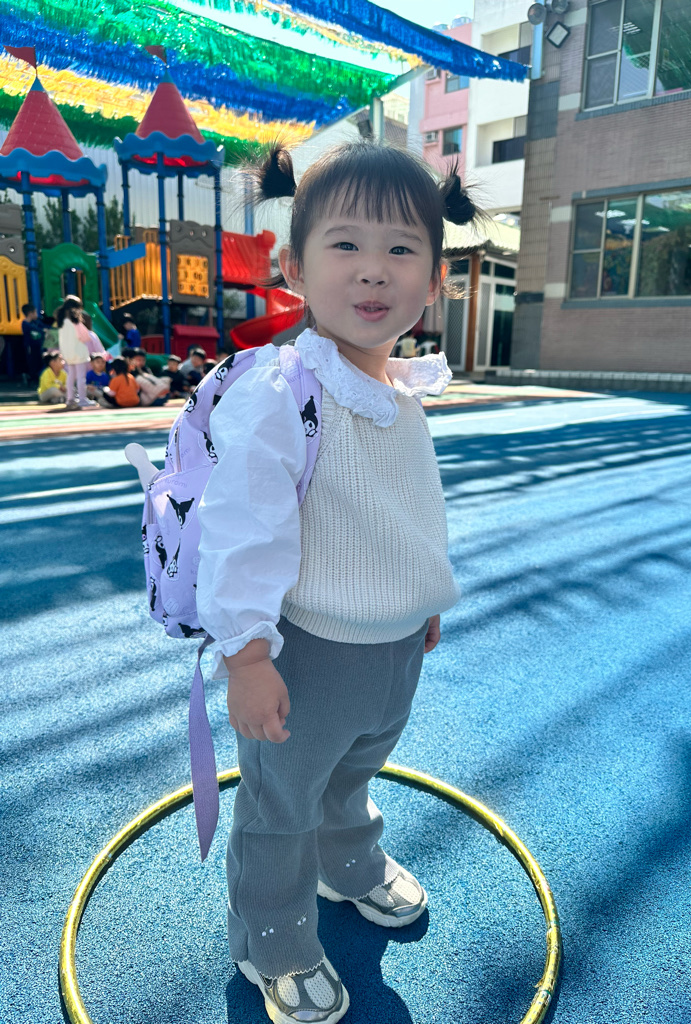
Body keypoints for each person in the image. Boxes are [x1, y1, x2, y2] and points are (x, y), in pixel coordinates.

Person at [195, 140, 484, 1024]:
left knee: (355, 768)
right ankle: (274, 938)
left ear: (435, 279)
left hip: (393, 646)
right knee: (281, 801)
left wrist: (421, 598)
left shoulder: (400, 387)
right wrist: (247, 657)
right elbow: (241, 528)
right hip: (307, 650)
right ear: (294, 266)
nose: (373, 269)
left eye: (401, 249)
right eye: (346, 244)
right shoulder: (284, 391)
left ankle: (346, 863)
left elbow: (406, 507)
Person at [55, 297, 99, 410]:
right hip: (78, 351)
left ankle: (70, 398)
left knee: (71, 376)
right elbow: (84, 336)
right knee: (81, 377)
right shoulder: (75, 320)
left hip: (68, 353)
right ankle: (82, 399)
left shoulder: (62, 321)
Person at [21, 303, 46, 382]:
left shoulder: (35, 322)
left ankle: (35, 376)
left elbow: (44, 327)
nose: (36, 314)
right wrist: (43, 331)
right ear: (30, 313)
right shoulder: (25, 324)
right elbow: (35, 330)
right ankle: (30, 377)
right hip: (30, 346)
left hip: (38, 345)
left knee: (38, 361)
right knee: (32, 362)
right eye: (35, 312)